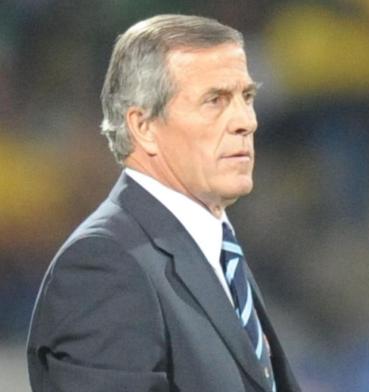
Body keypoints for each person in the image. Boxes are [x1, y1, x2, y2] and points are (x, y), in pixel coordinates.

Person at [27, 14, 300, 392]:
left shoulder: (216, 250)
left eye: (247, 97)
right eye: (215, 100)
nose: (246, 121)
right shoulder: (104, 266)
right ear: (143, 126)